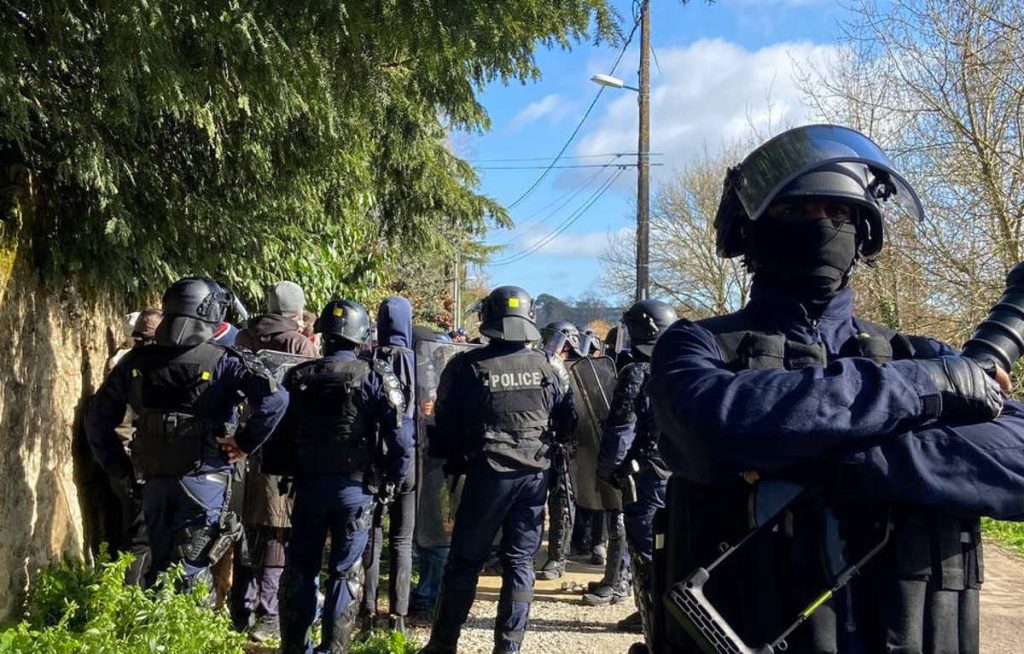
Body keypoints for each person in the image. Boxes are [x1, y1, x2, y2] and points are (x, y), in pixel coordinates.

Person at [649, 124, 1021, 653]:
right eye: (794, 212)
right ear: (749, 231)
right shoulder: (696, 345)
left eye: (839, 213)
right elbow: (716, 423)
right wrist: (918, 391)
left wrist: (838, 460)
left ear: (864, 231)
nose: (821, 226)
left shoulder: (923, 353)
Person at [85, 277, 289, 589]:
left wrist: (121, 469)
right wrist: (244, 443)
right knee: (191, 574)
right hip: (204, 476)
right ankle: (184, 635)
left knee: (158, 564)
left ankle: (150, 630)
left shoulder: (136, 361)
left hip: (152, 478)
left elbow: (98, 420)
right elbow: (276, 398)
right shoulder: (225, 361)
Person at [421, 286, 576, 654]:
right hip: (535, 476)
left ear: (489, 320)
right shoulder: (549, 366)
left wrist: (458, 461)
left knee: (465, 562)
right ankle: (509, 648)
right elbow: (569, 421)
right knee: (521, 562)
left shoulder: (466, 366)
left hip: (487, 475)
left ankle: (443, 645)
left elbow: (444, 427)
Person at [276, 299, 412, 654]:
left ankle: (295, 647)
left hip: (307, 488)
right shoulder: (375, 375)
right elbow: (401, 439)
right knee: (345, 572)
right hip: (354, 489)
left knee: (301, 570)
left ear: (324, 335)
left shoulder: (299, 377)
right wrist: (393, 480)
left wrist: (288, 473)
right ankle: (333, 650)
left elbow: (280, 437)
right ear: (360, 336)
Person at [230, 281, 317, 641]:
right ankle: (270, 613)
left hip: (242, 445)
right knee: (276, 532)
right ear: (296, 313)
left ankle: (241, 607)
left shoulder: (243, 339)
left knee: (246, 528)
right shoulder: (298, 344)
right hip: (283, 450)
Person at [594, 300, 677, 637]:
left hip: (644, 476)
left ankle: (652, 618)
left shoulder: (637, 372)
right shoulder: (690, 366)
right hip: (682, 473)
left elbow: (620, 430)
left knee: (646, 551)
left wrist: (608, 471)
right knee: (676, 549)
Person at [361, 296, 417, 633]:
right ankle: (399, 617)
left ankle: (367, 612)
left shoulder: (368, 359)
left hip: (372, 459)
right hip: (408, 460)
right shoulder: (419, 360)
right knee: (402, 539)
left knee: (373, 536)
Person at [536, 320, 585, 581]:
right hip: (539, 440)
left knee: (563, 500)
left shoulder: (577, 368)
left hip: (562, 443)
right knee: (532, 501)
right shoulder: (539, 362)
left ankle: (557, 558)